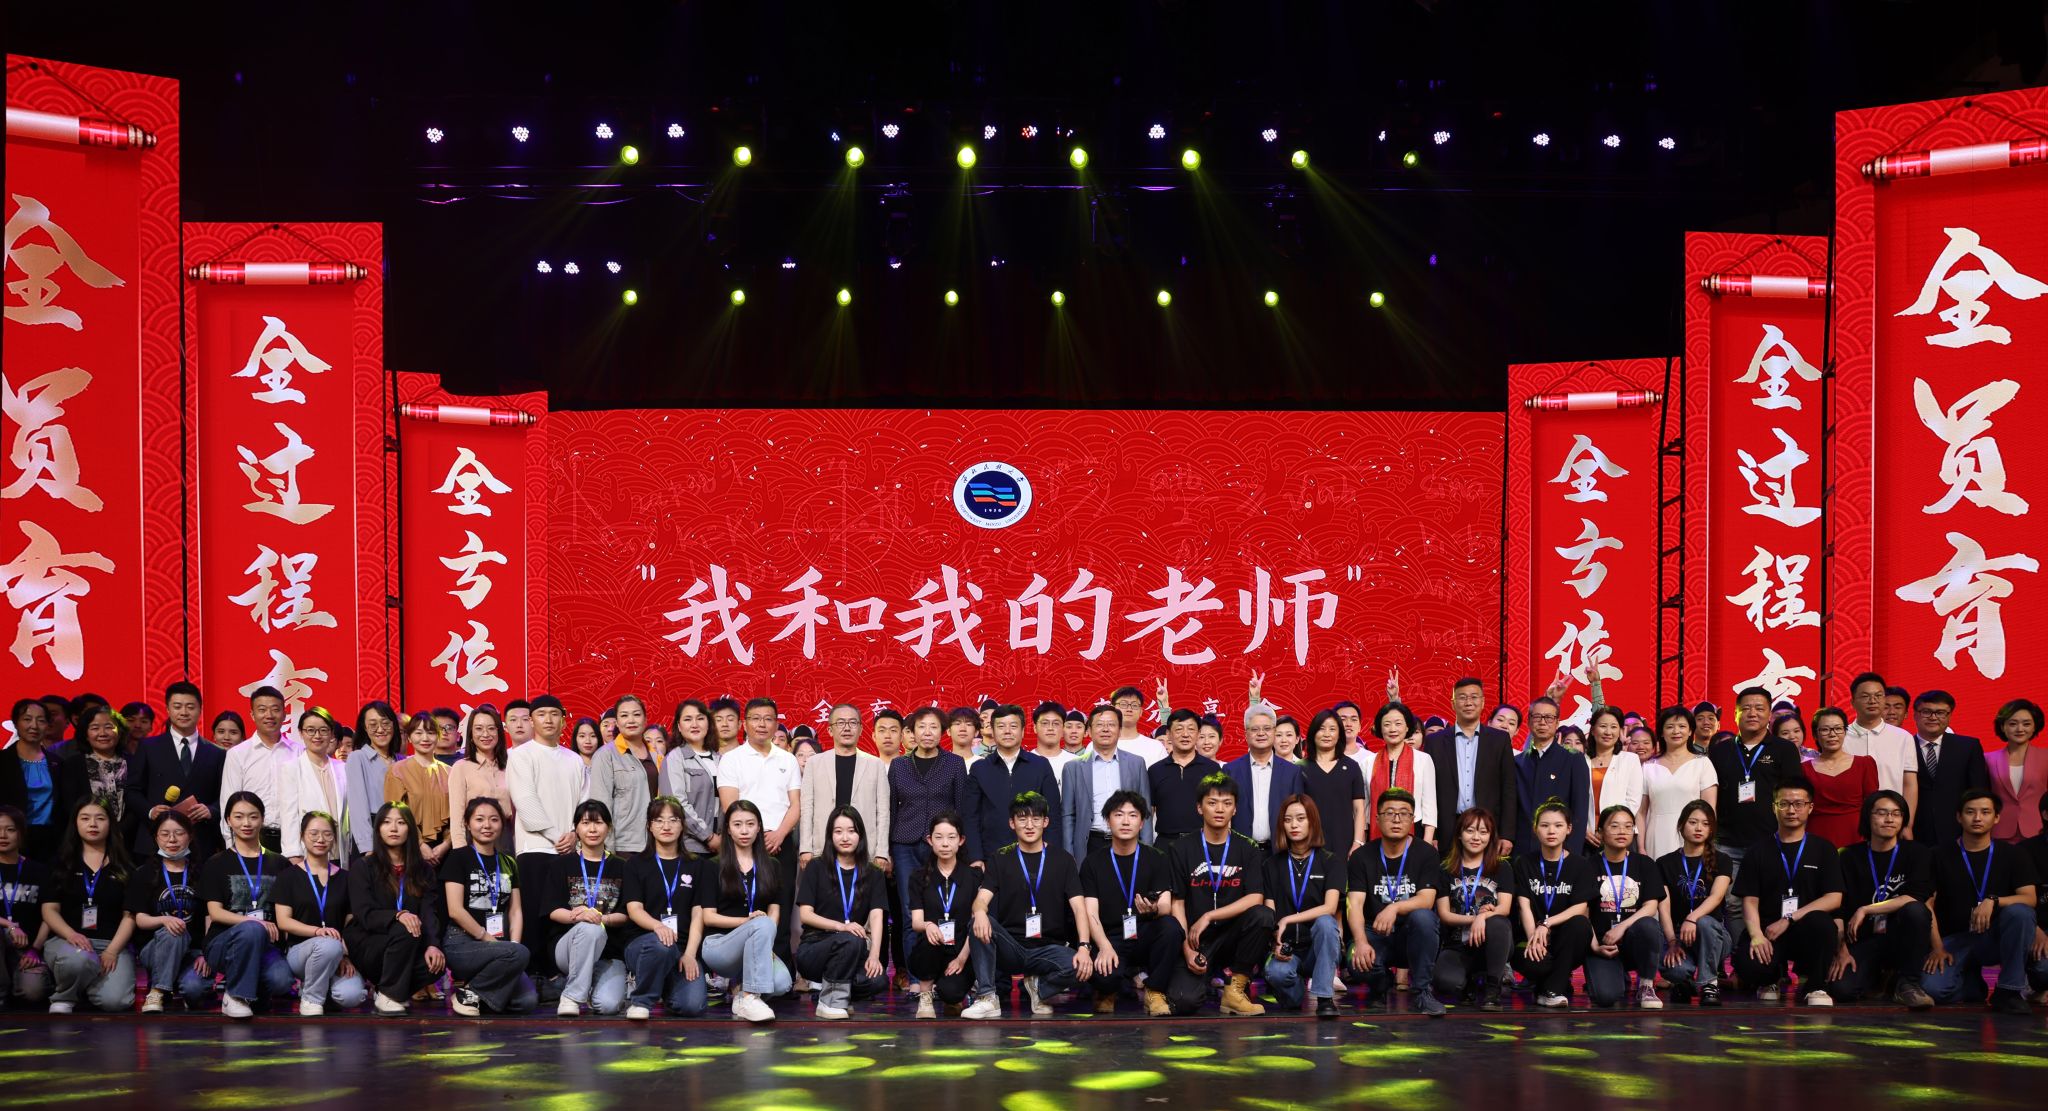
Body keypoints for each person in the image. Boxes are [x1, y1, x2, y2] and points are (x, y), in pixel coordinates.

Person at [963, 791, 1091, 1018]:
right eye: (1022, 819)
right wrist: (979, 912)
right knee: (977, 922)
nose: (1029, 825)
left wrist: (1084, 946)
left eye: (1036, 818)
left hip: (1048, 948)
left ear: (1046, 822)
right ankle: (987, 997)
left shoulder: (1063, 859)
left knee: (1082, 966)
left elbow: (1079, 908)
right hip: (1012, 947)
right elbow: (981, 900)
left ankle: (1038, 989)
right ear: (1012, 823)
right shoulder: (1000, 857)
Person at [1922, 789, 2039, 1014]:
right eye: (1970, 812)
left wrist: (1993, 900)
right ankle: (1972, 986)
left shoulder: (2013, 854)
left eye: (1985, 812)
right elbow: (1928, 904)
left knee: (2020, 912)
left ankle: (2008, 991)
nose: (1977, 818)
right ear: (1959, 817)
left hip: (1995, 937)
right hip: (1956, 938)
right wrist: (1937, 948)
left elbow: (2029, 898)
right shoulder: (1937, 854)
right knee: (1933, 990)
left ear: (1996, 817)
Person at [1733, 776, 1843, 1005]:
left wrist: (1790, 918)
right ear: (1774, 807)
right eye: (1784, 804)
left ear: (1810, 807)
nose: (1791, 810)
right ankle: (1772, 977)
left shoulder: (1824, 849)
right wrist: (1756, 935)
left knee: (1823, 924)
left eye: (1798, 804)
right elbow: (1750, 901)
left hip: (1806, 929)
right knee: (1748, 966)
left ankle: (1815, 986)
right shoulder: (1757, 851)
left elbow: (1834, 898)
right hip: (1769, 931)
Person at [888, 707, 971, 992]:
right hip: (905, 844)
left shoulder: (954, 763)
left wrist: (961, 848)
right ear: (911, 732)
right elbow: (891, 809)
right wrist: (887, 850)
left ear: (942, 732)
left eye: (933, 727)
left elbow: (961, 808)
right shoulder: (899, 765)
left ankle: (942, 975)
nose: (927, 732)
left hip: (943, 846)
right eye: (921, 727)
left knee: (943, 910)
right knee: (910, 913)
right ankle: (916, 980)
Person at [1075, 791, 1181, 1015]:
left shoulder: (1157, 858)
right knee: (1104, 976)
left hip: (1144, 932)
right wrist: (1104, 946)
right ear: (1107, 821)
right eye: (1118, 814)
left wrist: (1153, 910)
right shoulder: (1093, 862)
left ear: (1141, 823)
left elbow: (1166, 905)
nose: (1125, 821)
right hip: (1111, 936)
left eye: (1133, 815)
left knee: (1171, 927)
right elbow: (1090, 912)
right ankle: (1106, 991)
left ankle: (1155, 992)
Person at [1829, 790, 1935, 1009]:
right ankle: (1882, 980)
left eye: (1896, 814)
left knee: (1915, 910)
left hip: (1902, 938)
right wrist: (1841, 950)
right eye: (1882, 813)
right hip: (1864, 939)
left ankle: (1908, 983)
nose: (1889, 819)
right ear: (1868, 817)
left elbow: (1916, 897)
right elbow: (1837, 908)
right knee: (1842, 990)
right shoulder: (1847, 856)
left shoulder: (1917, 853)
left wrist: (1866, 909)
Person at [1344, 788, 1446, 1015]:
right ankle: (1380, 983)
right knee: (1355, 960)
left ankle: (1422, 992)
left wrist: (1394, 907)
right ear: (1377, 819)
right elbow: (1355, 905)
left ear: (1412, 819)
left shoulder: (1426, 853)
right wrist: (1360, 941)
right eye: (1389, 813)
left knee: (1425, 918)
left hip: (1410, 935)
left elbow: (1427, 899)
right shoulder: (1361, 857)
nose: (1397, 819)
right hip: (1375, 933)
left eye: (1404, 813)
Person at [196, 791, 296, 1017]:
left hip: (267, 946)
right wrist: (255, 923)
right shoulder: (216, 863)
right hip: (224, 942)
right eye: (239, 817)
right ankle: (235, 995)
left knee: (281, 981)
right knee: (251, 929)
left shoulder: (279, 863)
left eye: (253, 816)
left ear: (262, 819)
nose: (246, 823)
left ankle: (253, 993)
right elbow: (215, 913)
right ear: (228, 820)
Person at [344, 802, 449, 1015]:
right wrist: (398, 916)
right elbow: (364, 914)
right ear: (378, 829)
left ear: (410, 829)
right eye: (386, 822)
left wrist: (433, 945)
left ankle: (388, 991)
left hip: (406, 943)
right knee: (405, 928)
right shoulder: (364, 866)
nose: (393, 828)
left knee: (435, 965)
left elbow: (429, 913)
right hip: (369, 941)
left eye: (401, 823)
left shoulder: (423, 870)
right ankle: (391, 995)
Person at [719, 698, 803, 960]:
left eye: (768, 719)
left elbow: (796, 804)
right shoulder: (731, 759)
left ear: (776, 724)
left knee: (782, 905)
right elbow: (730, 805)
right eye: (755, 718)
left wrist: (780, 834)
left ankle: (782, 969)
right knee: (746, 905)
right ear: (745, 724)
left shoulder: (787, 760)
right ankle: (741, 967)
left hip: (781, 842)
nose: (762, 724)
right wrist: (753, 836)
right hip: (744, 843)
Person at [440, 796, 538, 1016]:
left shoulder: (508, 862)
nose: (487, 825)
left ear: (502, 825)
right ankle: (470, 995)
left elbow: (515, 910)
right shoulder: (458, 857)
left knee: (527, 1001)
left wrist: (513, 946)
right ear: (467, 824)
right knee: (518, 955)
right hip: (462, 941)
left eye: (494, 819)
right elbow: (455, 910)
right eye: (479, 819)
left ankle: (473, 991)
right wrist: (488, 938)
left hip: (499, 946)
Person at [39, 797, 135, 1013]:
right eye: (85, 818)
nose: (93, 824)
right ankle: (65, 996)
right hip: (67, 941)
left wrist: (112, 951)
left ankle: (82, 983)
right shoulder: (61, 862)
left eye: (100, 818)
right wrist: (71, 934)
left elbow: (129, 916)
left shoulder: (125, 866)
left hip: (111, 944)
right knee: (78, 960)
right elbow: (49, 910)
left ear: (110, 823)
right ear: (75, 823)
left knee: (116, 1002)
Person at [1707, 686, 1803, 901]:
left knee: (1770, 902)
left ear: (1769, 714)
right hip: (1728, 843)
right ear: (1735, 714)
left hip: (1772, 840)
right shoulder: (1721, 750)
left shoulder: (1784, 749)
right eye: (1746, 708)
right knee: (1732, 905)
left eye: (1759, 708)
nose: (1752, 713)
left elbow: (1794, 795)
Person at [699, 800, 791, 1022]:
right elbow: (708, 917)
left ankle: (740, 993)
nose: (744, 830)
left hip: (757, 941)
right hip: (719, 945)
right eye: (737, 824)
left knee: (782, 984)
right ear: (728, 829)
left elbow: (775, 911)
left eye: (750, 824)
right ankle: (750, 997)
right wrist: (750, 923)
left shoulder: (772, 865)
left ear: (759, 827)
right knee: (761, 922)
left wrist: (764, 936)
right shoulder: (712, 865)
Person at [794, 806, 889, 1018]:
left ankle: (833, 995)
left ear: (860, 835)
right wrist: (842, 927)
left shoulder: (873, 873)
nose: (845, 837)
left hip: (853, 949)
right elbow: (806, 914)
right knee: (850, 939)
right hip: (815, 947)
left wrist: (874, 955)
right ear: (830, 835)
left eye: (851, 831)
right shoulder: (816, 867)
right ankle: (831, 1002)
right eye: (838, 831)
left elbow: (876, 916)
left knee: (878, 980)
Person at [621, 796, 709, 1019]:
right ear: (649, 826)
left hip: (681, 947)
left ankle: (664, 987)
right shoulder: (635, 864)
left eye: (673, 820)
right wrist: (658, 927)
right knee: (662, 945)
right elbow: (634, 909)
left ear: (682, 825)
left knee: (692, 1006)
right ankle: (641, 1002)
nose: (666, 826)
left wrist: (690, 954)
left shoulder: (697, 865)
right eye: (659, 820)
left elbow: (698, 914)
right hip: (644, 945)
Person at [273, 811, 366, 1014]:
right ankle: (311, 999)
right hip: (300, 952)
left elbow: (351, 924)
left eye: (327, 834)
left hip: (337, 951)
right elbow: (284, 922)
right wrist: (317, 932)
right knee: (327, 945)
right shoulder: (288, 876)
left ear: (334, 838)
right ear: (302, 836)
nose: (320, 839)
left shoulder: (346, 878)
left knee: (352, 996)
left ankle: (322, 988)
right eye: (313, 833)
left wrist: (344, 955)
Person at [125, 682, 227, 865]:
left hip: (200, 841)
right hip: (155, 838)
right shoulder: (148, 747)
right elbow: (132, 791)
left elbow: (225, 795)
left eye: (190, 707)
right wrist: (150, 811)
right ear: (167, 709)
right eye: (177, 706)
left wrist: (211, 810)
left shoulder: (216, 753)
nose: (184, 712)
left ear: (200, 709)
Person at [546, 799, 629, 1016]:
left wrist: (601, 918)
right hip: (568, 948)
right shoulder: (561, 864)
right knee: (590, 929)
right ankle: (572, 996)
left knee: (608, 1006)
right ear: (576, 828)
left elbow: (626, 914)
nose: (592, 829)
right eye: (585, 823)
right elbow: (553, 910)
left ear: (609, 828)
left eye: (598, 823)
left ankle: (589, 985)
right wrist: (580, 917)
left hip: (608, 953)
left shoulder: (622, 867)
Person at [1266, 794, 1343, 1017]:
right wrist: (1275, 943)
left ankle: (1324, 998)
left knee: (1326, 923)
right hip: (1288, 949)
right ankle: (1295, 992)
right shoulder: (1272, 864)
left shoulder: (1331, 861)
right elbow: (1270, 911)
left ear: (1312, 821)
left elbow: (1330, 907)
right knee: (1277, 974)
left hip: (1318, 949)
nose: (1294, 825)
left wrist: (1288, 919)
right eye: (1288, 819)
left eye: (1301, 818)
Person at [1582, 805, 1666, 1008]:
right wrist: (1595, 946)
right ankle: (1616, 975)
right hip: (1603, 944)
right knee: (1605, 997)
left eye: (1628, 826)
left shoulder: (1645, 864)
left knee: (1649, 925)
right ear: (1600, 832)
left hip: (1633, 940)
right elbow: (1583, 913)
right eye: (1615, 826)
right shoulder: (1587, 866)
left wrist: (1622, 927)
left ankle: (1646, 984)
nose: (1622, 831)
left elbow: (1651, 906)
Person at [1512, 800, 1593, 1008]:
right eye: (1544, 825)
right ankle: (1553, 983)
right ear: (1535, 829)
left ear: (1569, 829)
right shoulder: (1524, 862)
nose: (1551, 831)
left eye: (1558, 825)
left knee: (1580, 924)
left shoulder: (1581, 865)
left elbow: (1580, 907)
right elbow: (1524, 905)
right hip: (1532, 937)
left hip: (1565, 940)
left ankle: (1551, 990)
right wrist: (1534, 938)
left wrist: (1546, 924)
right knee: (1537, 963)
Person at [1425, 678, 1519, 853]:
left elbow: (1509, 789)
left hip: (1486, 828)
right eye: (1462, 697)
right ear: (1453, 704)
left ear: (1482, 702)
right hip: (1446, 828)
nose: (1468, 702)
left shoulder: (1499, 740)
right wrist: (1432, 833)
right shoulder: (1434, 742)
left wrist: (1506, 834)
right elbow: (1428, 790)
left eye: (1474, 697)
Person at [1433, 807, 1513, 1011]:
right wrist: (1475, 918)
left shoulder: (1502, 867)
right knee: (1446, 984)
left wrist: (1483, 918)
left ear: (1491, 837)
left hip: (1491, 944)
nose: (1476, 837)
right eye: (1470, 831)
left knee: (1498, 923)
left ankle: (1492, 989)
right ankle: (1468, 979)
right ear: (1459, 834)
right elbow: (1445, 914)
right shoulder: (1445, 869)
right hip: (1458, 945)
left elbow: (1504, 908)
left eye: (1483, 832)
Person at [963, 704, 1060, 865]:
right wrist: (976, 857)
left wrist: (1050, 854)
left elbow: (1053, 814)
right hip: (991, 857)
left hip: (1035, 855)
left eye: (1013, 726)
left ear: (1023, 731)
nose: (1007, 731)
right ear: (993, 731)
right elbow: (970, 817)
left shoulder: (1040, 765)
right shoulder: (979, 768)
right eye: (1001, 726)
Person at [1656, 799, 1731, 1005]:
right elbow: (1664, 908)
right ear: (1681, 825)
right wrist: (1672, 942)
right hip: (1679, 935)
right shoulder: (1664, 863)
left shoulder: (1722, 859)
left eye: (1705, 824)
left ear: (1711, 829)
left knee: (1704, 922)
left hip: (1714, 934)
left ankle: (1709, 983)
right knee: (1674, 970)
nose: (1699, 828)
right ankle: (1685, 981)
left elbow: (1716, 897)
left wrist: (1692, 918)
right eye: (1693, 822)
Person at [905, 809, 979, 1017]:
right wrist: (928, 925)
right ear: (930, 840)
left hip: (960, 951)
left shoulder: (973, 877)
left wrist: (962, 958)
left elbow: (977, 923)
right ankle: (925, 996)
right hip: (930, 950)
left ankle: (953, 996)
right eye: (939, 837)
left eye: (951, 837)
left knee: (951, 993)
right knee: (929, 937)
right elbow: (916, 922)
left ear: (961, 840)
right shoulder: (918, 877)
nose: (945, 844)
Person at [801, 703, 894, 867]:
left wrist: (881, 852)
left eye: (852, 722)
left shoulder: (875, 764)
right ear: (830, 730)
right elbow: (807, 808)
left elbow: (883, 812)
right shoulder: (814, 763)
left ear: (860, 729)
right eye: (840, 723)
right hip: (823, 847)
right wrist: (805, 848)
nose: (847, 728)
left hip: (864, 850)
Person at [129, 810, 203, 1013]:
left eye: (179, 833)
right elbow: (140, 919)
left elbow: (209, 918)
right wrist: (164, 920)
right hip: (155, 949)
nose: (172, 839)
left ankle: (169, 983)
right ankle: (158, 990)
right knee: (173, 932)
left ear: (190, 836)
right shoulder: (144, 873)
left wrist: (205, 953)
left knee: (194, 991)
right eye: (165, 834)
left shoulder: (202, 873)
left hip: (192, 951)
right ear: (156, 838)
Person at [1061, 705, 1154, 860]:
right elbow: (1068, 816)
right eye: (1099, 724)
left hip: (1129, 842)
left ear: (1119, 730)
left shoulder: (1136, 763)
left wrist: (1147, 850)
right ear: (1089, 731)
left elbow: (1145, 811)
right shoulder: (1073, 768)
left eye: (1111, 724)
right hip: (1090, 843)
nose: (1105, 729)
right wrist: (1069, 856)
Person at [217, 686, 299, 853]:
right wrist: (232, 846)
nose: (269, 715)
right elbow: (228, 803)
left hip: (293, 840)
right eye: (262, 710)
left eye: (275, 709)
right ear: (252, 715)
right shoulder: (237, 754)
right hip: (250, 839)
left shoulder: (299, 752)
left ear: (284, 714)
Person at [1910, 690, 1991, 846]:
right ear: (1915, 715)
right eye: (1926, 712)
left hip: (1958, 831)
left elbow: (1978, 791)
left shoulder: (1968, 746)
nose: (1933, 717)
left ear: (1949, 716)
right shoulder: (1903, 746)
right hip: (1914, 832)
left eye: (1940, 713)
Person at [55, 704, 138, 852]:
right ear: (86, 735)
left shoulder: (134, 763)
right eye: (95, 728)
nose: (102, 733)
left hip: (127, 841)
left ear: (120, 732)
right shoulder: (73, 765)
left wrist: (119, 831)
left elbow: (137, 803)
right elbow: (70, 804)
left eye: (109, 727)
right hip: (84, 842)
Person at [1225, 706, 1306, 854]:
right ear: (1246, 734)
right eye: (1255, 729)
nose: (1261, 733)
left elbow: (1298, 814)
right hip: (1240, 852)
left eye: (1267, 728)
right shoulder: (1231, 770)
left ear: (1274, 732)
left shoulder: (1292, 772)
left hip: (1280, 852)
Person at [1845, 672, 1922, 826]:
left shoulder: (1903, 737)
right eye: (1865, 696)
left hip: (1891, 820)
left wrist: (1908, 825)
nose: (1872, 701)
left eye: (1878, 696)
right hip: (1850, 818)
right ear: (1853, 702)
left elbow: (1909, 784)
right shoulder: (1841, 736)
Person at [1516, 698, 1590, 856]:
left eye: (1549, 718)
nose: (1543, 722)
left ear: (1557, 723)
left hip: (1560, 850)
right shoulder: (1518, 762)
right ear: (1529, 722)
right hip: (1522, 849)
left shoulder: (1573, 759)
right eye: (1537, 717)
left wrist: (1571, 851)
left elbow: (1580, 809)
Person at [1640, 707, 1718, 860]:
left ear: (1690, 731)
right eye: (1670, 727)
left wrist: (1707, 842)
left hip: (1692, 834)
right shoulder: (1648, 767)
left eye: (1682, 726)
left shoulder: (1702, 764)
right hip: (1657, 835)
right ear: (1662, 733)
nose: (1676, 731)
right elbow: (1641, 812)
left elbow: (1709, 809)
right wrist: (1641, 847)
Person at [279, 709, 353, 867]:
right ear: (301, 733)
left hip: (340, 852)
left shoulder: (342, 768)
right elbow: (289, 815)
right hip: (307, 854)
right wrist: (294, 854)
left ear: (331, 734)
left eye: (323, 730)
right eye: (310, 730)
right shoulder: (292, 768)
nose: (317, 736)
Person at [1360, 704, 1439, 846]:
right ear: (1380, 728)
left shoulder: (1423, 759)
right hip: (1377, 832)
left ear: (1407, 727)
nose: (1393, 729)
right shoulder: (1368, 762)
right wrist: (1361, 841)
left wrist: (1426, 843)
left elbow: (1430, 805)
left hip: (1415, 831)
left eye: (1398, 723)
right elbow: (1365, 808)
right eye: (1387, 724)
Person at [590, 696, 657, 860]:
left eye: (636, 714)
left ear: (645, 719)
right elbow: (601, 806)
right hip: (623, 845)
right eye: (624, 715)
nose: (631, 720)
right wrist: (607, 850)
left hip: (657, 843)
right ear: (617, 723)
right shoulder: (606, 755)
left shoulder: (657, 755)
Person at [1148, 708, 1223, 853]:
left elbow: (1220, 809)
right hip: (1165, 844)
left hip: (1203, 843)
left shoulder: (1212, 769)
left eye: (1191, 729)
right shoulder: (1155, 770)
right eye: (1179, 729)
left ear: (1198, 733)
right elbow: (1148, 813)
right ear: (1168, 734)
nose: (1185, 734)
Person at [0, 806, 53, 1007]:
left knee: (33, 992)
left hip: (26, 948)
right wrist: (9, 925)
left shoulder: (39, 870)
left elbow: (49, 916)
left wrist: (35, 949)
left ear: (21, 834)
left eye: (10, 830)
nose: (3, 835)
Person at [384, 712, 453, 867]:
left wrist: (446, 844)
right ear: (409, 737)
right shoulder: (397, 771)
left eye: (431, 733)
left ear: (438, 736)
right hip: (408, 847)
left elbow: (457, 815)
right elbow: (394, 813)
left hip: (445, 850)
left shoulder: (450, 772)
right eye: (418, 733)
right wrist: (420, 845)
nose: (425, 738)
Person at [1804, 708, 1879, 846]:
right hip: (1816, 835)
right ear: (1815, 735)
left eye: (1838, 729)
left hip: (1856, 835)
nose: (1832, 734)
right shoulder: (1804, 769)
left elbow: (1873, 806)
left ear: (1845, 732)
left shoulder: (1864, 764)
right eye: (1825, 730)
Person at [1300, 710, 1367, 860]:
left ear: (1339, 734)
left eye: (1332, 729)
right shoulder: (1300, 768)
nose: (1326, 734)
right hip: (1309, 844)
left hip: (1344, 844)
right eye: (1321, 728)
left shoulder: (1352, 767)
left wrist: (1357, 842)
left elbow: (1359, 809)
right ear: (1313, 733)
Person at [1, 700, 63, 861]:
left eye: (41, 720)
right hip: (10, 838)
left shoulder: (57, 762)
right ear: (16, 723)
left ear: (47, 725)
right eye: (27, 719)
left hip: (50, 841)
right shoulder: (3, 761)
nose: (34, 726)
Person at [659, 699, 720, 856]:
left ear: (708, 723)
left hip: (722, 845)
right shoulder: (675, 758)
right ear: (679, 726)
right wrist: (708, 836)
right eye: (687, 719)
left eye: (700, 718)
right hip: (690, 846)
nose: (694, 724)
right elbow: (677, 804)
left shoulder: (720, 759)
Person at [448, 706, 513, 851]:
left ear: (499, 732)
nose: (485, 734)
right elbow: (457, 818)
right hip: (475, 840)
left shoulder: (510, 765)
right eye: (478, 729)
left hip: (506, 839)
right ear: (471, 733)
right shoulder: (461, 767)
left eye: (491, 728)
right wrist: (461, 852)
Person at [1581, 708, 1645, 855]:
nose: (1608, 732)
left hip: (1620, 835)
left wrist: (1610, 829)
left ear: (1620, 731)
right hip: (1587, 836)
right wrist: (1583, 829)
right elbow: (1574, 800)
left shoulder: (1630, 760)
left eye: (1614, 727)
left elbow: (1632, 801)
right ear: (1593, 730)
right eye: (1603, 726)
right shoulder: (1581, 760)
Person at [343, 702, 401, 858]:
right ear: (365, 728)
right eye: (373, 724)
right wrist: (368, 847)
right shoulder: (357, 757)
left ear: (394, 726)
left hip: (400, 834)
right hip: (373, 835)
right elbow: (358, 807)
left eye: (385, 723)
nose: (380, 729)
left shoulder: (401, 760)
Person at [1987, 699, 2046, 843]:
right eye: (2013, 724)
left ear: (2034, 727)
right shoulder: (1987, 759)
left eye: (2026, 724)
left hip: (2038, 831)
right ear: (2003, 727)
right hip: (1999, 831)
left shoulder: (2046, 757)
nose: (2020, 729)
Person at [1110, 686, 1168, 766]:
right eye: (1123, 704)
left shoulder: (1156, 747)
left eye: (1134, 705)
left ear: (1141, 712)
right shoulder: (1098, 746)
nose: (1129, 709)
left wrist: (1164, 706)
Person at [1030, 702, 1077, 783]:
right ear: (1035, 728)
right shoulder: (1024, 762)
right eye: (1045, 723)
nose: (1050, 728)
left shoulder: (1075, 763)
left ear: (1063, 728)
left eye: (1056, 724)